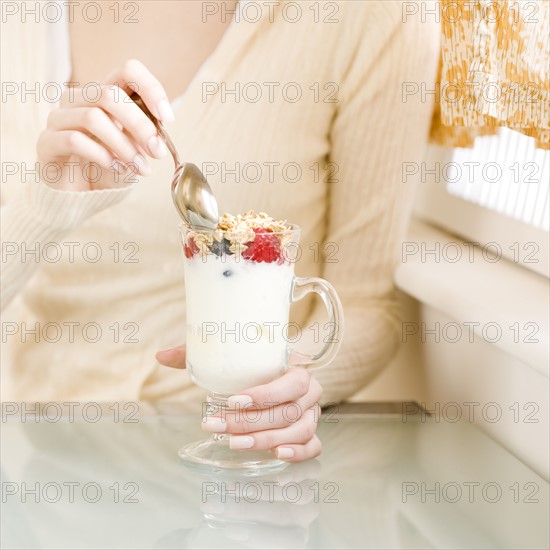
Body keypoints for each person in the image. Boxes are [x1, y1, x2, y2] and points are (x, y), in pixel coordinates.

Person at [0, 1, 440, 462]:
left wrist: (285, 390)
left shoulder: (379, 14)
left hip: (228, 465)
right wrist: (45, 209)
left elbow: (367, 302)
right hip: (32, 457)